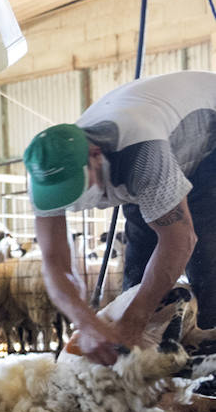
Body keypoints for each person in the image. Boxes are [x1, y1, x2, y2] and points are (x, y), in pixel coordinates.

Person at [23, 70, 216, 365]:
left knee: (206, 261)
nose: (69, 200)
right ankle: (148, 376)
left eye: (76, 186)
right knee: (138, 280)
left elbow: (180, 240)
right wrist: (86, 323)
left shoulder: (141, 151)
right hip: (149, 157)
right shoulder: (47, 171)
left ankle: (209, 377)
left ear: (95, 155)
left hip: (207, 140)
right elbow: (55, 262)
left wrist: (132, 323)